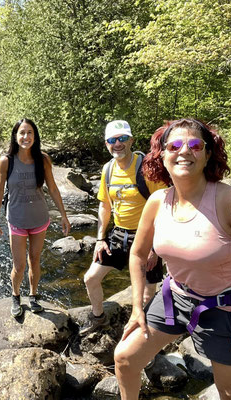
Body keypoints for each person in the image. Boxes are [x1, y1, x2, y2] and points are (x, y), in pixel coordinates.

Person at [114, 118, 231, 399]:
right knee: (125, 358)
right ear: (162, 155)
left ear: (207, 154)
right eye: (175, 145)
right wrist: (137, 308)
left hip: (224, 309)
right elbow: (138, 254)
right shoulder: (158, 202)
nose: (184, 151)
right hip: (174, 296)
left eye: (195, 145)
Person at [80, 120, 166, 335]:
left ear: (131, 140)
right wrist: (100, 238)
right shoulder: (107, 169)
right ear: (106, 144)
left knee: (147, 293)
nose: (117, 144)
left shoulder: (147, 167)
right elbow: (104, 205)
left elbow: (165, 206)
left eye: (122, 139)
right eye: (112, 140)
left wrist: (156, 247)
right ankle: (98, 318)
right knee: (91, 278)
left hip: (147, 236)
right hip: (118, 234)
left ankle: (143, 334)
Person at [0, 118, 70, 317]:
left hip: (39, 219)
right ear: (15, 136)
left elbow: (52, 187)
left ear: (35, 136)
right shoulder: (6, 161)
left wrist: (63, 215)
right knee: (19, 265)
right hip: (17, 220)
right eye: (22, 133)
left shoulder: (43, 159)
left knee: (35, 259)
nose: (26, 137)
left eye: (30, 133)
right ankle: (16, 296)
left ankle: (34, 296)